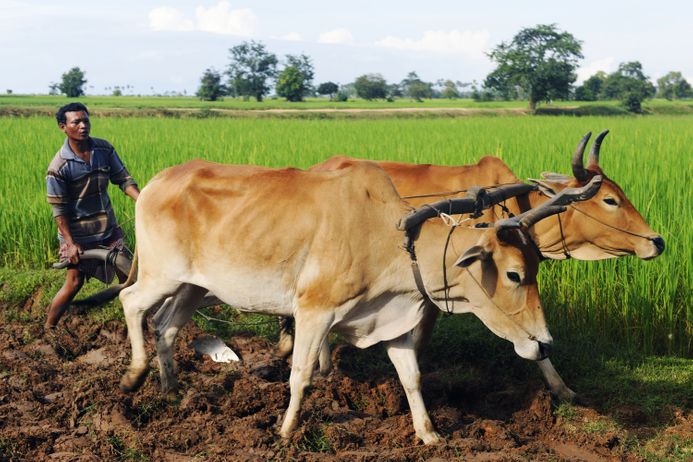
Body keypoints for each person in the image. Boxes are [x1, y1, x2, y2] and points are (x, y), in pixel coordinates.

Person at [45, 102, 139, 329]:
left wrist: (144, 201)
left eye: (85, 120)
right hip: (79, 237)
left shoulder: (104, 150)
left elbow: (123, 180)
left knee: (129, 277)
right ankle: (49, 328)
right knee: (74, 282)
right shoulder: (59, 167)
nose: (83, 125)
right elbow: (59, 211)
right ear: (63, 127)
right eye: (76, 122)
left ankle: (133, 323)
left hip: (108, 229)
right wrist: (70, 243)